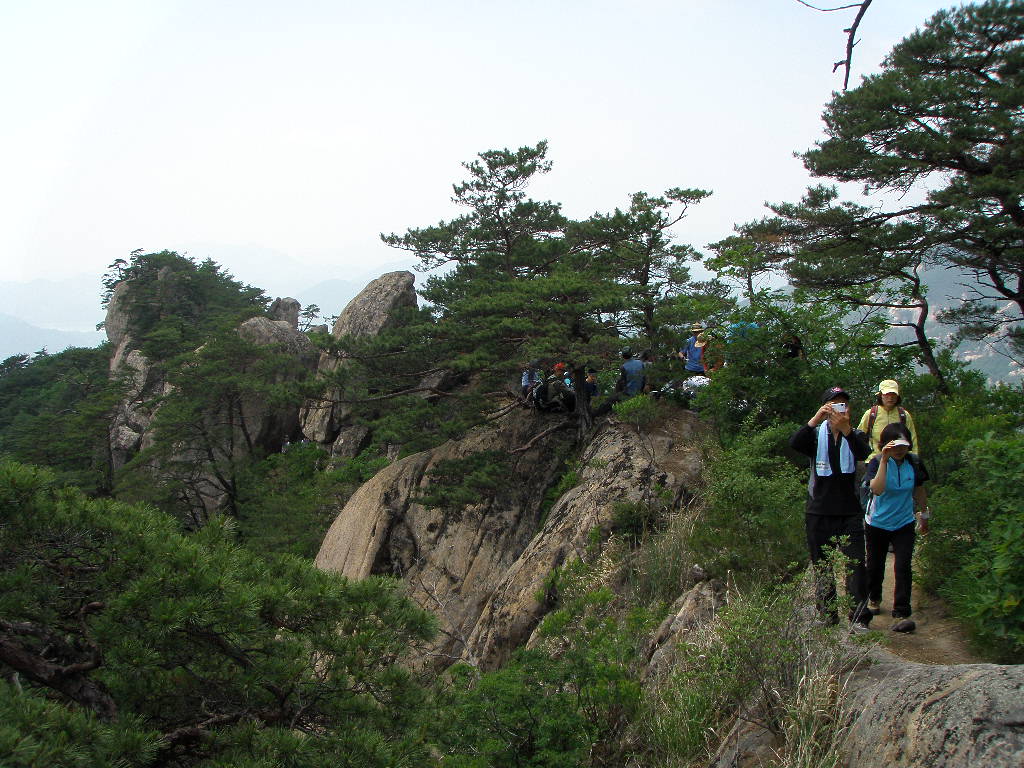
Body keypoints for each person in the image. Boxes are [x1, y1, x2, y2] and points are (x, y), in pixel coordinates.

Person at [789, 386, 873, 629]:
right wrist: (815, 420)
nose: (839, 409)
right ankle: (828, 614)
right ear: (825, 408)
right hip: (819, 511)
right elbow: (795, 442)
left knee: (856, 565)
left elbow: (863, 453)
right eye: (834, 404)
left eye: (843, 404)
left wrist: (846, 429)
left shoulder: (856, 435)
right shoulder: (815, 437)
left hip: (849, 511)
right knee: (822, 565)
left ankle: (859, 617)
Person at [864, 423, 930, 627]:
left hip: (904, 522)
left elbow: (919, 490)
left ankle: (901, 611)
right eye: (895, 446)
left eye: (903, 445)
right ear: (885, 445)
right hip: (877, 522)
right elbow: (876, 489)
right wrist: (884, 460)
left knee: (903, 566)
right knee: (875, 564)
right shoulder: (876, 463)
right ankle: (874, 598)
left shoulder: (914, 463)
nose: (900, 450)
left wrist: (924, 515)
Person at [857, 379, 920, 460]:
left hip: (900, 460)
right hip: (875, 460)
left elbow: (912, 439)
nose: (890, 398)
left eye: (893, 395)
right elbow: (859, 437)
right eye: (887, 394)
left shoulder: (904, 415)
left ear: (897, 396)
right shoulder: (871, 414)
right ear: (880, 395)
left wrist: (914, 458)